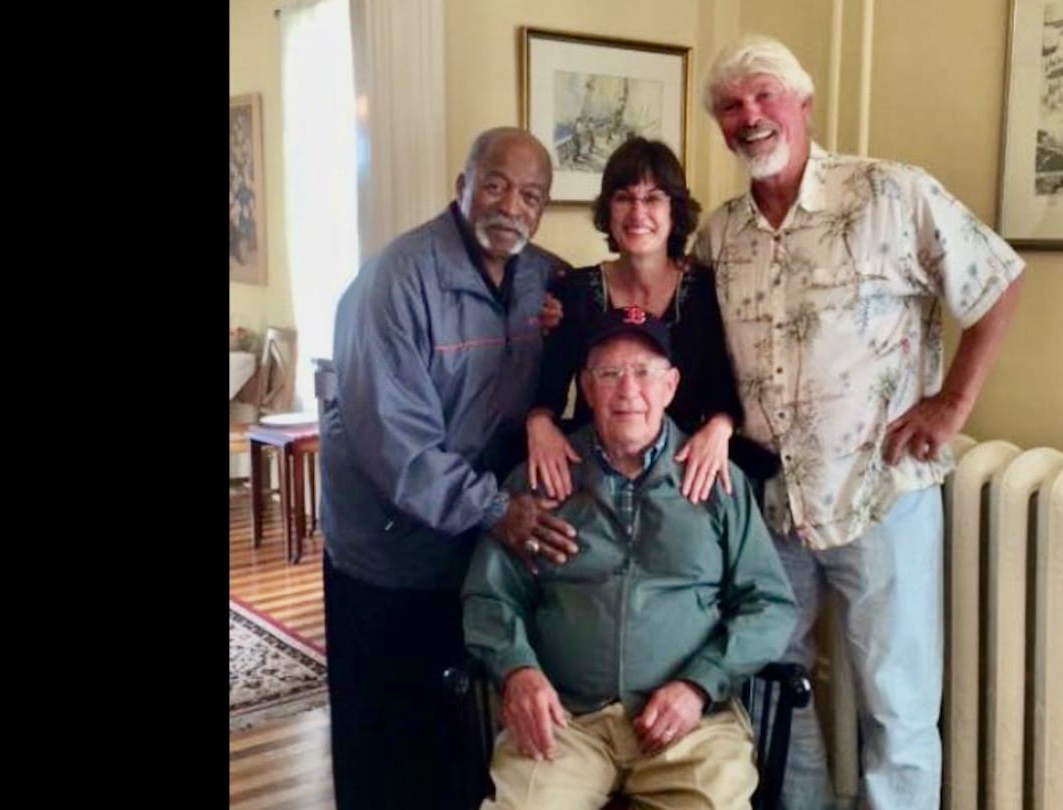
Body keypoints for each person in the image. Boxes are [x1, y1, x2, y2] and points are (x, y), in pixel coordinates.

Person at [693, 35, 1028, 810]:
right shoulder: (721, 235)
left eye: (765, 96)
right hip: (771, 506)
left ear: (803, 103)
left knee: (897, 705)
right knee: (771, 685)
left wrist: (953, 404)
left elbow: (997, 278)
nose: (750, 117)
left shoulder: (889, 192)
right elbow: (682, 336)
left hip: (883, 496)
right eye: (732, 106)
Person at [317, 126, 581, 810]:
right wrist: (497, 510)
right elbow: (398, 449)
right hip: (388, 552)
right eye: (494, 185)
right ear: (461, 186)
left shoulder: (544, 277)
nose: (511, 206)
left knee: (459, 737)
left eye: (531, 195)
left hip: (476, 545)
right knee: (384, 744)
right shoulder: (394, 282)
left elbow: (596, 345)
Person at [463, 307, 799, 809]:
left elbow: (770, 605)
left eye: (644, 373)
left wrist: (699, 684)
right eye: (610, 373)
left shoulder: (718, 482)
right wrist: (517, 671)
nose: (628, 390)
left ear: (670, 386)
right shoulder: (538, 478)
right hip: (566, 722)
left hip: (692, 729)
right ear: (586, 386)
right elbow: (490, 596)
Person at [525, 136, 779, 508]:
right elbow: (547, 392)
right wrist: (539, 423)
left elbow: (724, 390)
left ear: (675, 210)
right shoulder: (575, 291)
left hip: (682, 468)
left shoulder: (708, 290)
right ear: (608, 210)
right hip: (599, 468)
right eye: (624, 197)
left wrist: (719, 429)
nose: (637, 212)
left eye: (653, 198)